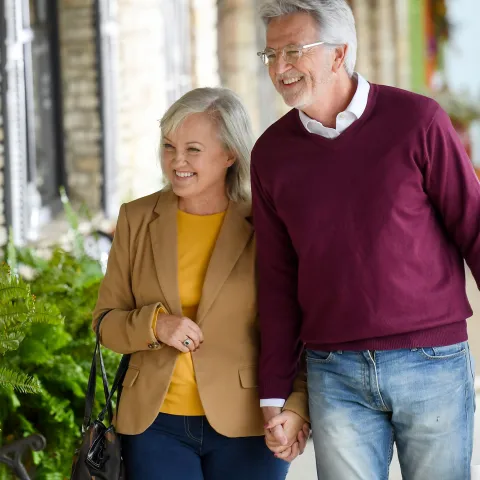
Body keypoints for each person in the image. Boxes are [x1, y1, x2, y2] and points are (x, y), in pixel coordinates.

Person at [252, 1, 480, 479]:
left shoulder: (418, 121)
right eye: (270, 56)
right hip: (333, 370)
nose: (280, 68)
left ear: (339, 54)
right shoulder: (271, 153)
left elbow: (473, 225)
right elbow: (275, 278)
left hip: (431, 361)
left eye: (293, 51)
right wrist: (275, 392)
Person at [92, 87, 309, 480]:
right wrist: (154, 325)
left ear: (229, 154)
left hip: (250, 422)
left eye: (193, 149)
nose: (177, 161)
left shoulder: (268, 224)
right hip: (155, 425)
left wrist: (297, 406)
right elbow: (105, 322)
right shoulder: (136, 219)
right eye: (169, 146)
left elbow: (301, 327)